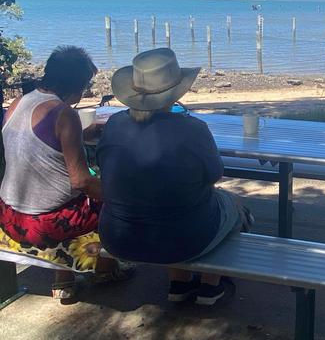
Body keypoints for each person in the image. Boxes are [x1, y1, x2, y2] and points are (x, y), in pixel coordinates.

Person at [96, 48, 251, 306]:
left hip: (117, 239)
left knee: (166, 203)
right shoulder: (193, 129)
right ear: (176, 92)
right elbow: (215, 175)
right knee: (233, 206)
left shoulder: (114, 125)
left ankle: (180, 283)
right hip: (182, 241)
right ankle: (210, 288)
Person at [0, 46, 134, 300]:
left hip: (10, 214)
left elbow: (36, 149)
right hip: (42, 223)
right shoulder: (64, 114)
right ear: (76, 86)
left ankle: (64, 280)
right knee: (109, 202)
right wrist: (124, 197)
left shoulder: (17, 104)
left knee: (74, 195)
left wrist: (82, 137)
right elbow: (81, 181)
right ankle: (104, 268)